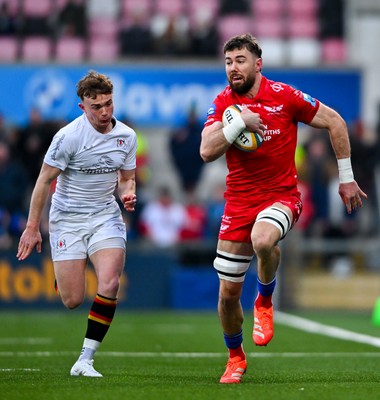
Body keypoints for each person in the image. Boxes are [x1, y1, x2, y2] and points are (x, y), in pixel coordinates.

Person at [199, 33, 367, 384]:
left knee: (263, 240)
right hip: (237, 203)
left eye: (240, 60)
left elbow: (335, 121)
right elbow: (206, 151)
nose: (233, 68)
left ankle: (264, 301)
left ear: (257, 64)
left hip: (281, 196)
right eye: (228, 62)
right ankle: (235, 357)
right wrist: (237, 123)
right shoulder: (223, 104)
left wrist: (346, 177)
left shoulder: (285, 96)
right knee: (228, 296)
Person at [17, 70, 137, 378]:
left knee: (110, 282)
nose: (104, 111)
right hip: (67, 219)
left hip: (104, 216)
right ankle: (66, 268)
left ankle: (85, 359)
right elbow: (44, 181)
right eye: (96, 106)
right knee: (72, 299)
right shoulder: (68, 137)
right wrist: (32, 227)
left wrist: (128, 193)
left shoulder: (127, 136)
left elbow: (126, 178)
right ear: (82, 107)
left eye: (108, 104)